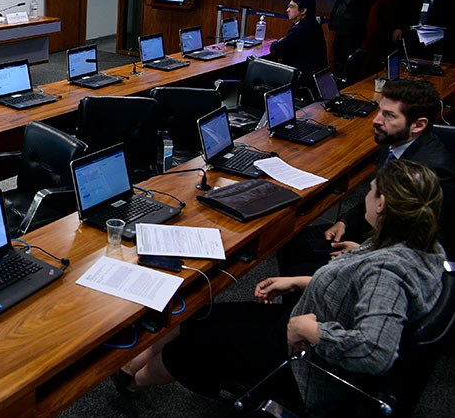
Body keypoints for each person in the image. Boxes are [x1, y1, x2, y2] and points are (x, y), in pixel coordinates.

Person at [115, 159, 446, 416]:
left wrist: (313, 331)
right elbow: (365, 288)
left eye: (371, 192)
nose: (367, 198)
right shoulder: (423, 246)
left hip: (307, 362)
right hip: (307, 322)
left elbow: (374, 352)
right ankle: (133, 367)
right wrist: (301, 280)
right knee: (204, 315)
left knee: (194, 345)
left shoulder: (386, 272)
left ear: (382, 204)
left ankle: (132, 383)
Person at [280, 79, 455, 275]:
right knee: (289, 242)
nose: (376, 120)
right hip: (371, 230)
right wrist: (345, 222)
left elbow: (426, 247)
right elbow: (376, 195)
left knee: (301, 266)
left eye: (389, 115)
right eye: (380, 111)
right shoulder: (393, 142)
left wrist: (364, 253)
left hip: (390, 259)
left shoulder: (433, 172)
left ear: (418, 125)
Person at [329, 0, 381, 76]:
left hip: (352, 32)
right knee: (337, 62)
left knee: (347, 66)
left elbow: (351, 1)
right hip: (341, 29)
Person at [268, 0, 327, 90]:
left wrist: (277, 43)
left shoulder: (300, 29)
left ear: (303, 11)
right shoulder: (313, 24)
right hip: (316, 76)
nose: (287, 10)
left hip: (303, 77)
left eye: (291, 7)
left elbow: (276, 49)